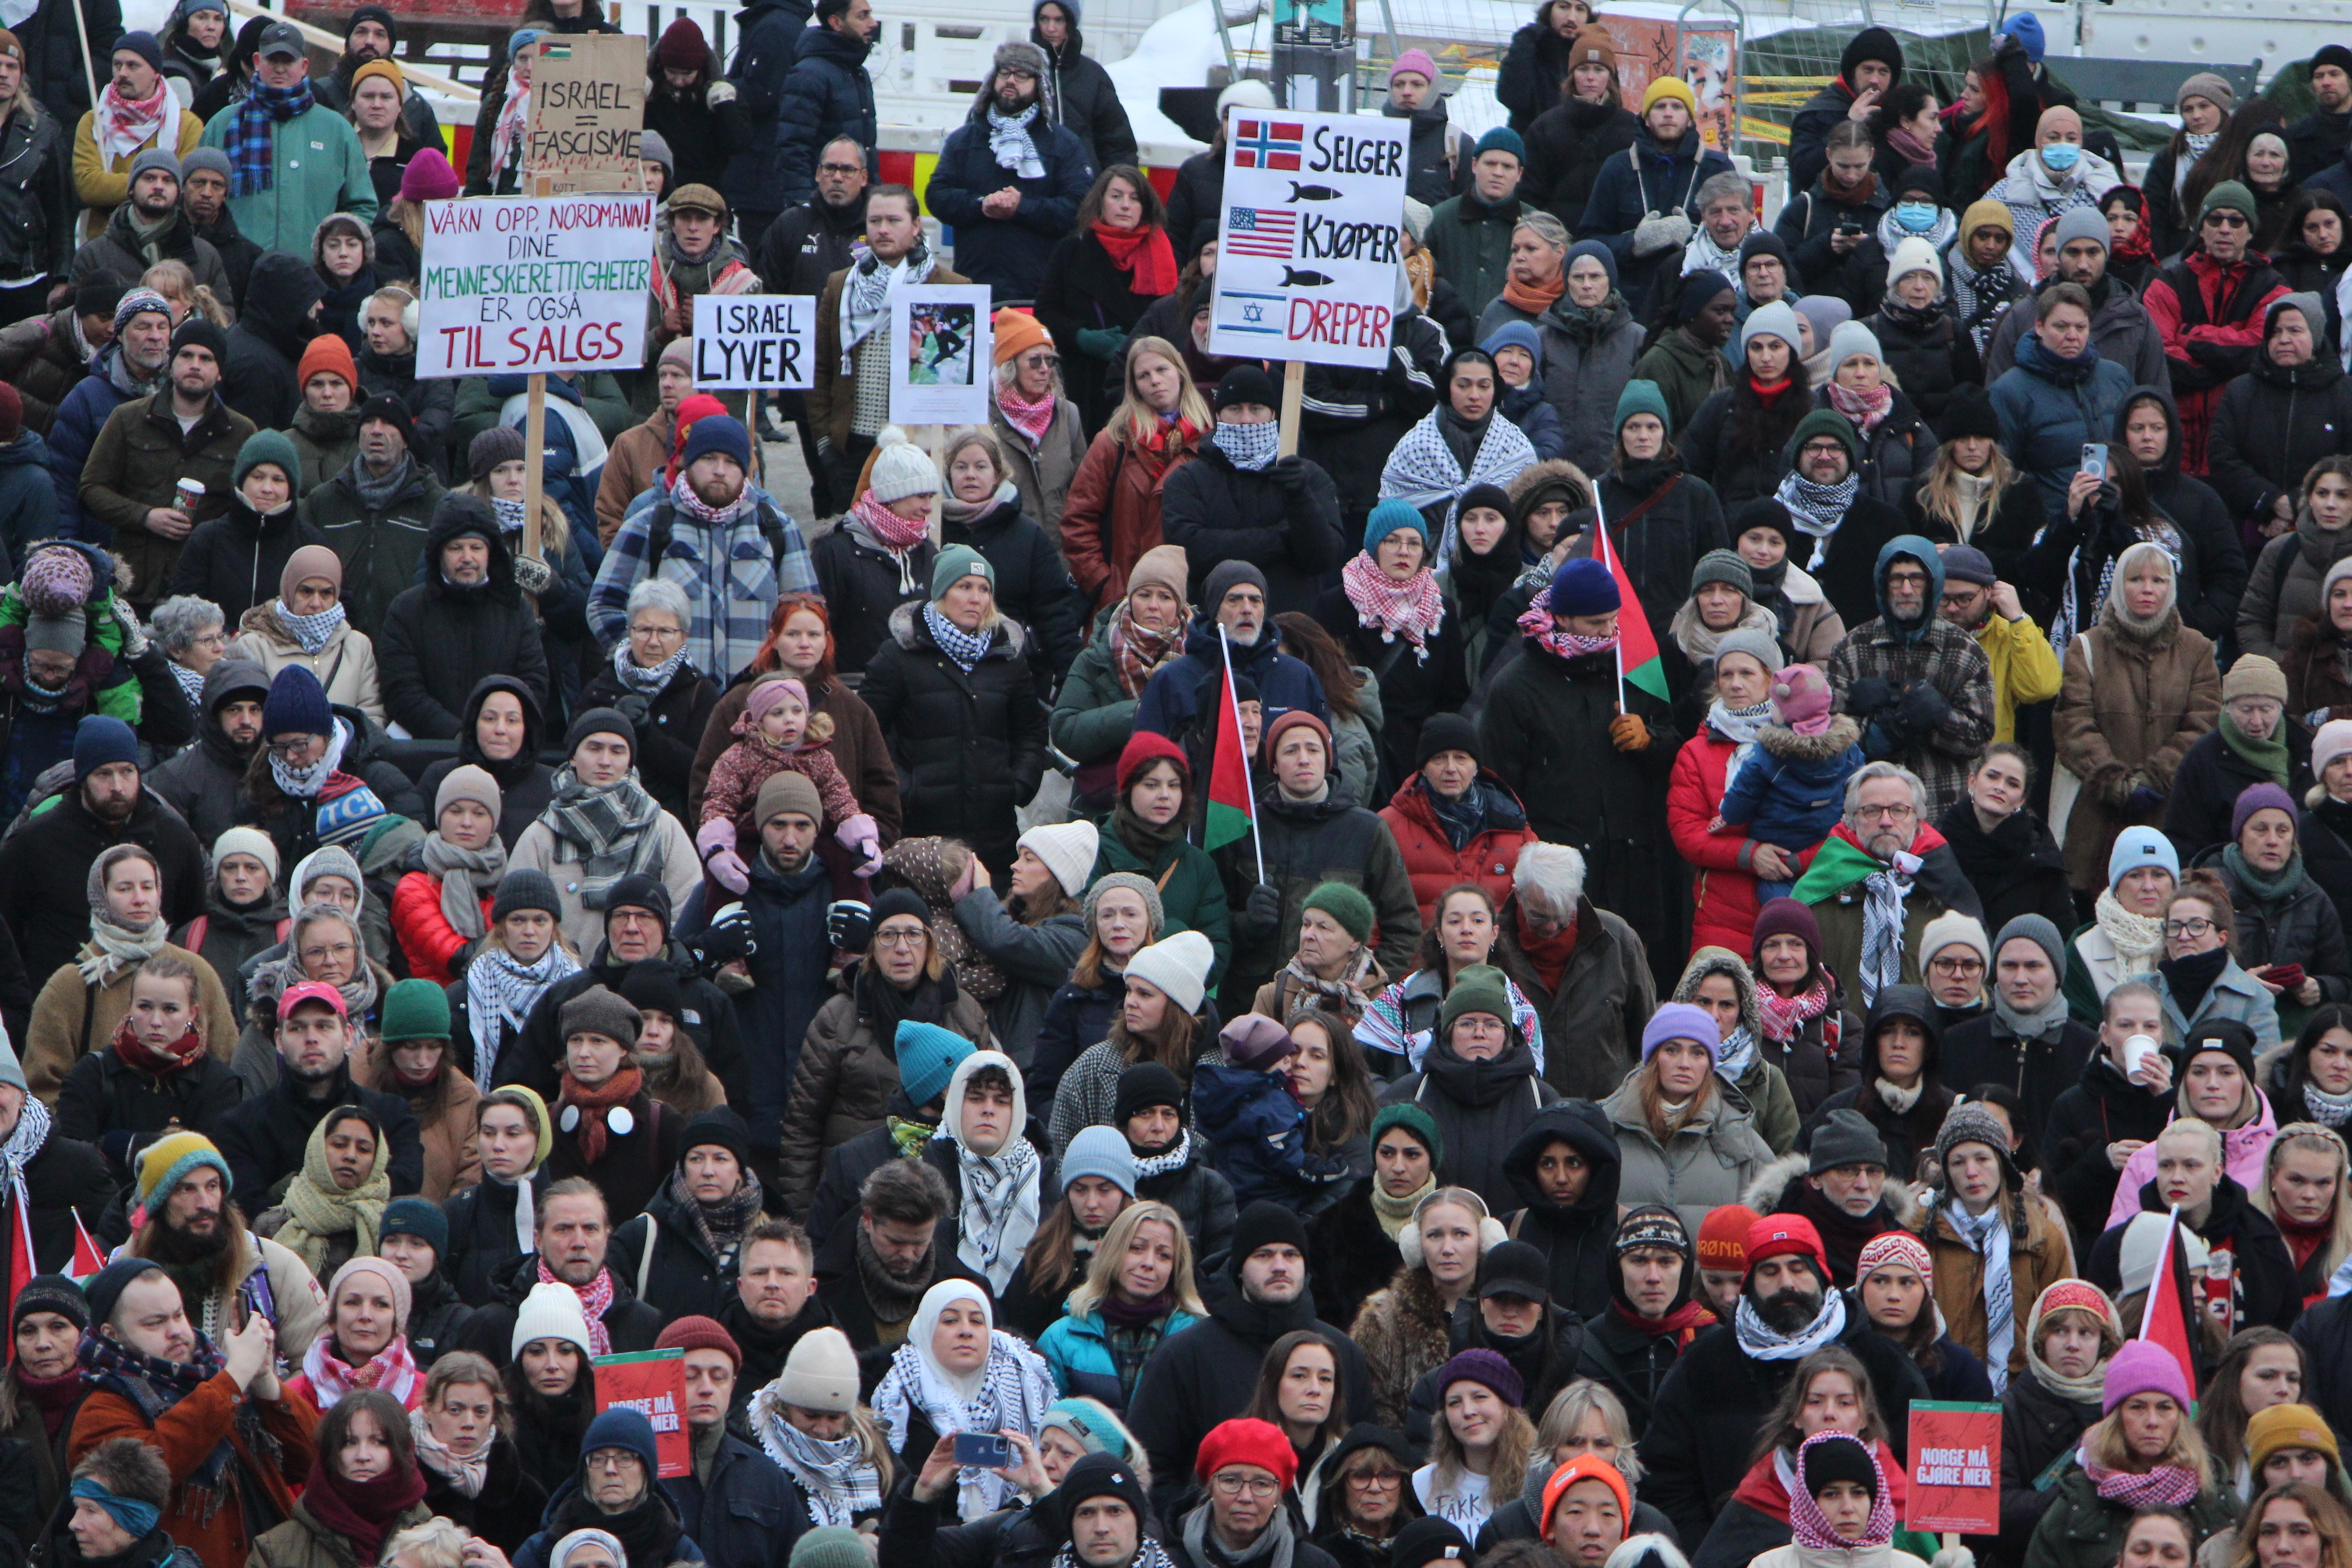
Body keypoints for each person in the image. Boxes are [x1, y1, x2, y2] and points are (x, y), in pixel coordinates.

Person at [1638, 1215, 1929, 1548]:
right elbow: (1667, 1479)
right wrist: (1718, 1547)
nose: (1786, 1283)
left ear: (1822, 1275)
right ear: (1749, 1282)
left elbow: (1918, 1472)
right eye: (1770, 1271)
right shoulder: (1704, 1365)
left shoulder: (1882, 1363)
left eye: (1798, 1267)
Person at [67, 1255, 320, 1568]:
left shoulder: (213, 1375)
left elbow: (314, 1461)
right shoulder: (101, 1409)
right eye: (155, 1323)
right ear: (112, 1334)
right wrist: (235, 1377)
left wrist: (265, 1382)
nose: (176, 1331)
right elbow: (151, 1470)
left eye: (179, 1315)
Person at [77, 316, 250, 611]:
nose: (195, 365)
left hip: (202, 591)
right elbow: (91, 490)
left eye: (206, 358)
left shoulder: (241, 433)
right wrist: (145, 516)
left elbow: (246, 511)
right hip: (131, 587)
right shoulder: (128, 419)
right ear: (171, 361)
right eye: (186, 355)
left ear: (220, 372)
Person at [2019, 1341, 2236, 1568]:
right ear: (2116, 1417)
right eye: (2137, 1407)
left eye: (2165, 1408)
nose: (2152, 1422)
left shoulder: (2215, 1495)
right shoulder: (2075, 1502)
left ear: (2180, 1417)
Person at [376, 497, 550, 744]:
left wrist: (493, 729)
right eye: (456, 548)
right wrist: (456, 733)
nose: (467, 557)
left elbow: (534, 682)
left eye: (476, 547)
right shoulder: (407, 610)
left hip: (501, 747)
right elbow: (401, 690)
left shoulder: (515, 609)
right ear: (439, 554)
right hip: (427, 746)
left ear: (491, 553)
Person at [192, 20, 373, 252]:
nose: (280, 68)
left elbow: (362, 206)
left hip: (313, 276)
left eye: (288, 61)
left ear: (304, 66)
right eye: (272, 60)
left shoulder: (337, 130)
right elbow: (196, 199)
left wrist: (337, 252)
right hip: (236, 274)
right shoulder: (222, 124)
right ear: (257, 61)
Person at [407, 1352, 546, 1551]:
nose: (469, 1423)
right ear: (428, 1410)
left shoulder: (528, 1496)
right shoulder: (400, 1482)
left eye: (481, 1412)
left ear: (494, 1414)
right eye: (455, 1410)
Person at [70, 36, 202, 245]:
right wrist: (155, 182)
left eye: (133, 66)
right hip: (105, 243)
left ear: (156, 72)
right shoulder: (94, 121)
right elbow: (88, 186)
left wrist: (118, 185)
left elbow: (182, 186)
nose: (122, 73)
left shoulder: (186, 125)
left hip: (166, 243)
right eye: (118, 65)